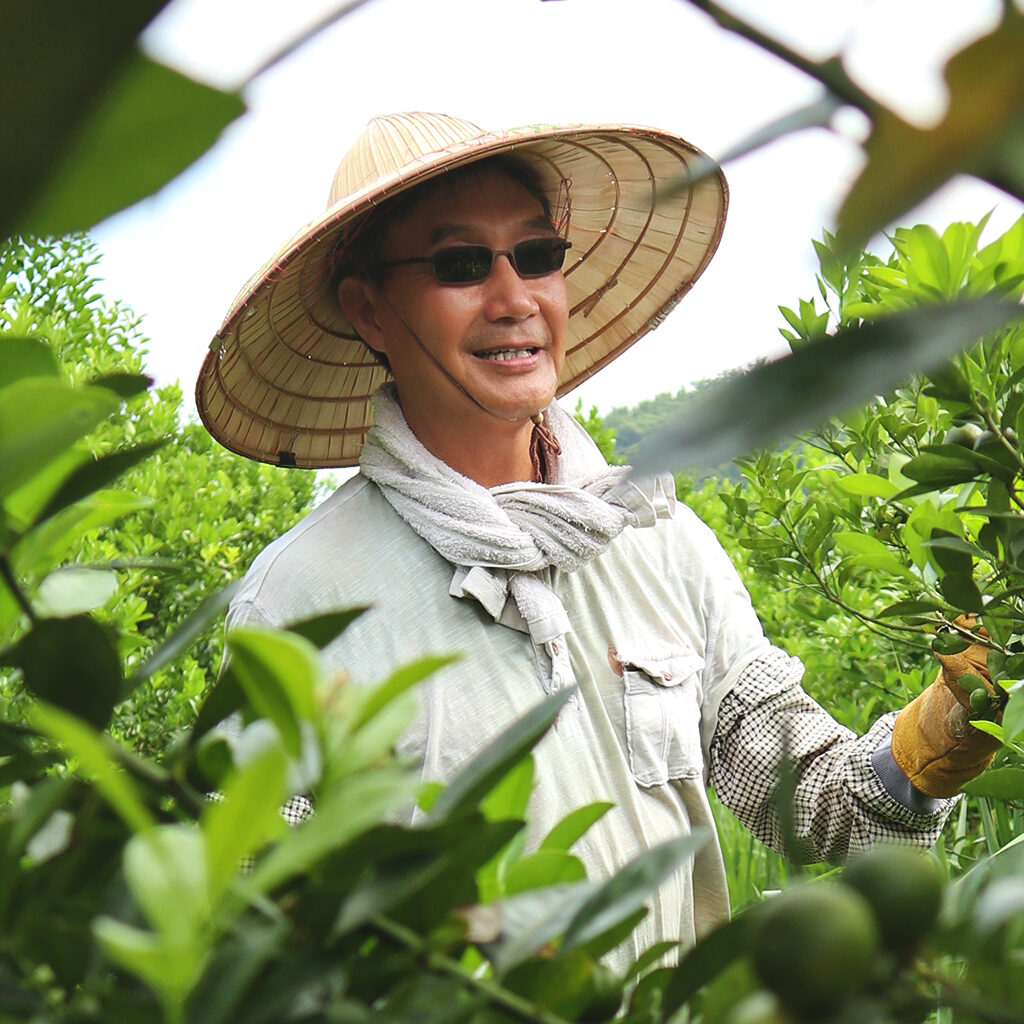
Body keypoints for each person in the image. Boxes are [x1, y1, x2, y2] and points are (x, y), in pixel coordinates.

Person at [197, 111, 1000, 970]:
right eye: (460, 264)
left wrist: (934, 741)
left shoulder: (657, 539)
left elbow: (808, 797)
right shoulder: (305, 600)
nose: (514, 299)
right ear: (370, 309)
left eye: (536, 255)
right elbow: (252, 924)